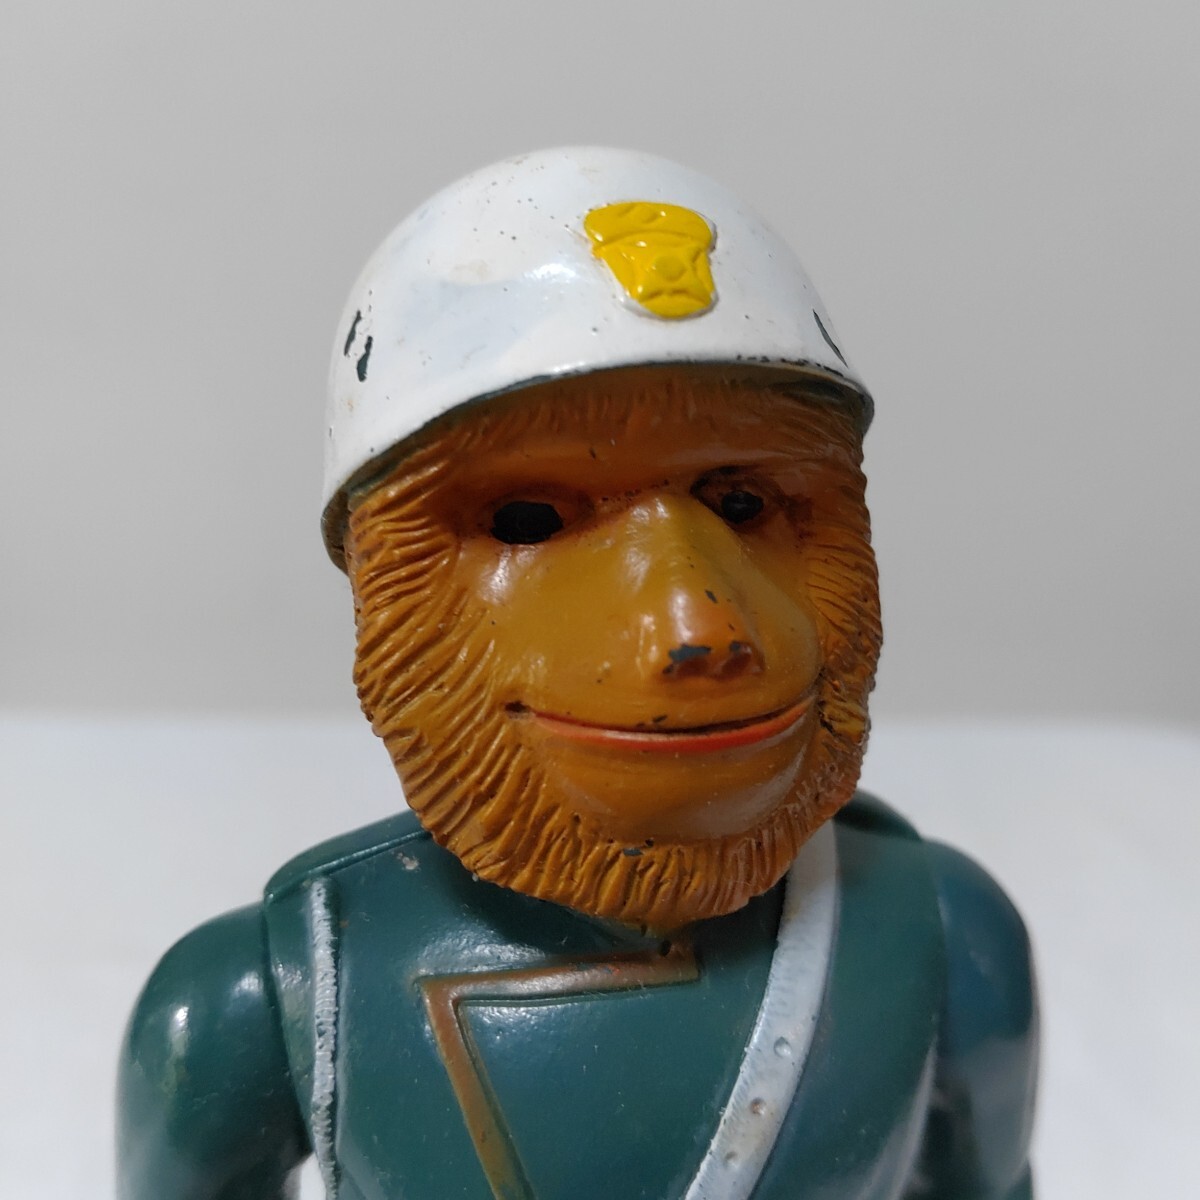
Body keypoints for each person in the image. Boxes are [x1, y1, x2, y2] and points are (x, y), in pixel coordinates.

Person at [117, 147, 1038, 1200]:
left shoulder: (941, 942)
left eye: (745, 505)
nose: (698, 626)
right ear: (377, 582)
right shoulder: (280, 994)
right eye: (529, 520)